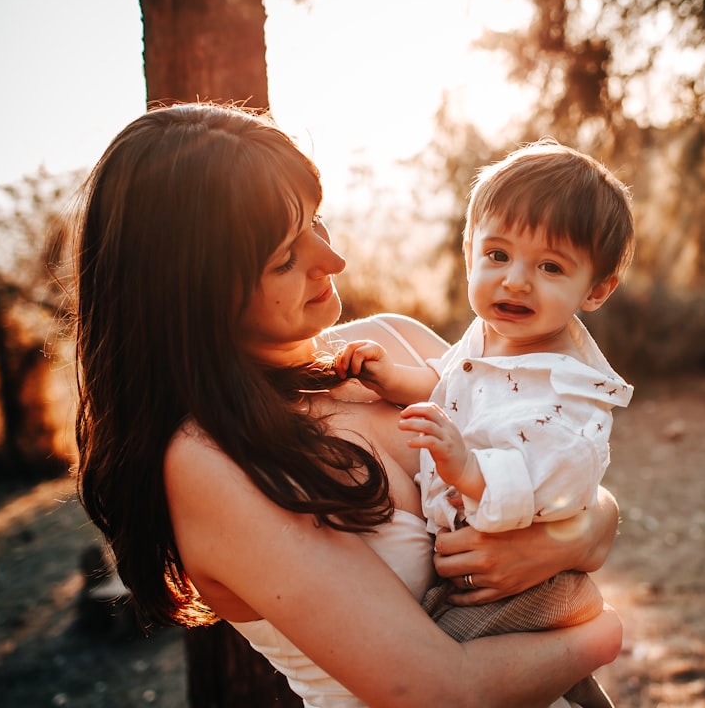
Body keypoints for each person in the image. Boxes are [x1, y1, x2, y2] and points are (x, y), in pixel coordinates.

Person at [70, 102, 623, 708]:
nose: (332, 261)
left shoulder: (396, 342)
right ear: (192, 293)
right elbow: (441, 693)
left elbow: (567, 469)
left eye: (317, 221)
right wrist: (602, 634)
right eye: (285, 256)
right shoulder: (211, 460)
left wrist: (573, 537)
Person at [335, 139, 635, 707]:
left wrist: (469, 469)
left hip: (528, 584)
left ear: (595, 290)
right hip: (494, 581)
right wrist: (389, 379)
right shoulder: (487, 343)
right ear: (470, 250)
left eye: (550, 267)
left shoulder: (566, 388)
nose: (515, 281)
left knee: (444, 641)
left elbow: (555, 481)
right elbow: (451, 387)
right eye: (497, 255)